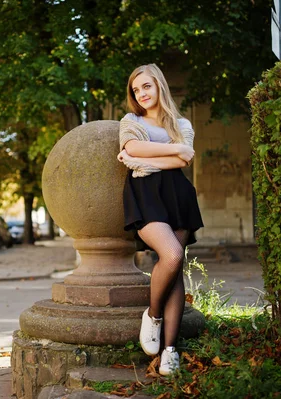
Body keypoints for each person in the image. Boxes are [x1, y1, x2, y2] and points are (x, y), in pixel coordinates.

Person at [117, 64, 204, 376]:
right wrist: (173, 149)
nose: (141, 94)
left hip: (177, 195)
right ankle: (152, 316)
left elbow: (185, 158)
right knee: (171, 254)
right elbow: (131, 147)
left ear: (159, 87)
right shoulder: (131, 120)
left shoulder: (182, 123)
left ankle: (170, 350)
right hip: (145, 196)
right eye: (136, 90)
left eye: (146, 87)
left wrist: (143, 161)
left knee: (175, 270)